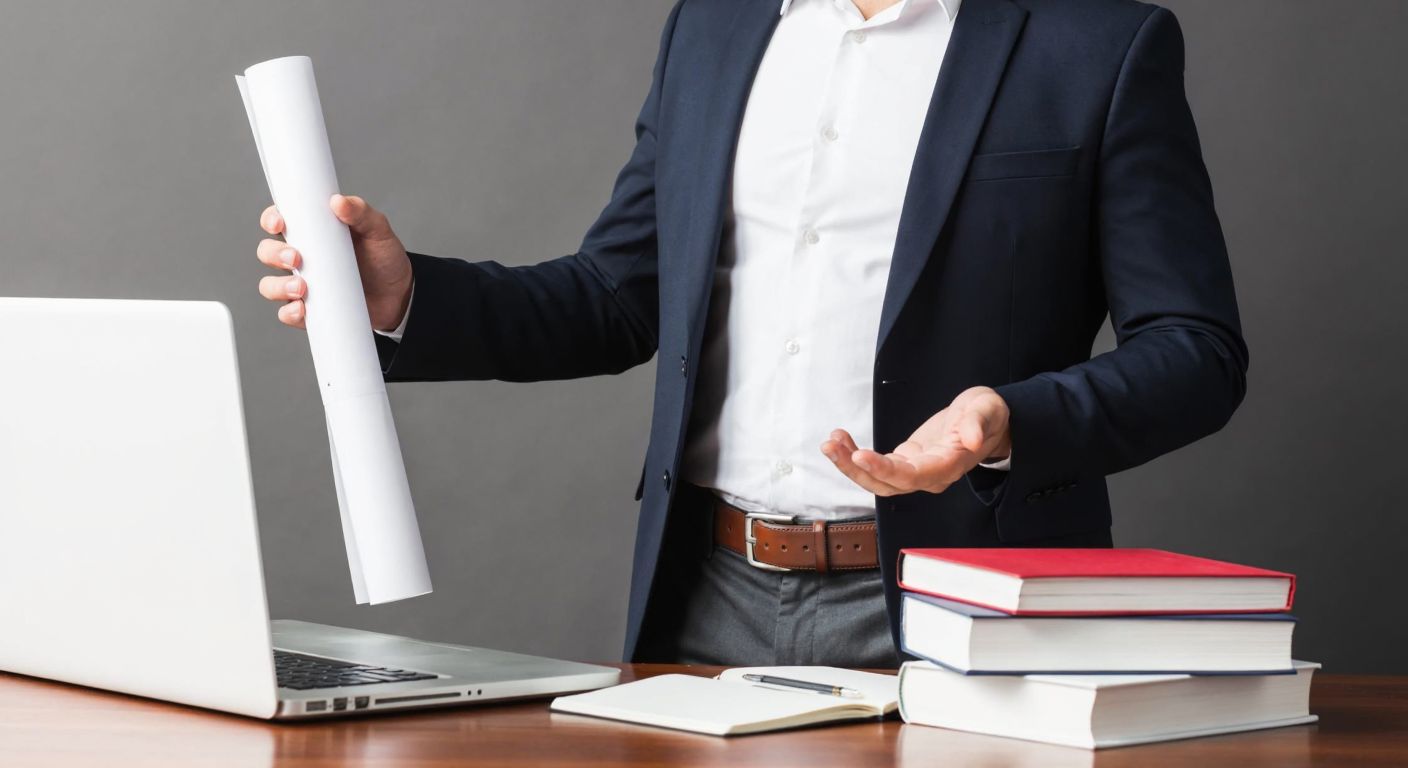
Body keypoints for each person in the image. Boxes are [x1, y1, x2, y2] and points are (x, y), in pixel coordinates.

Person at [254, 0, 1247, 668]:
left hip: (960, 604)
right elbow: (617, 295)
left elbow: (1196, 349)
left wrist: (1006, 420)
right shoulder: (715, 26)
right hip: (704, 600)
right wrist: (400, 297)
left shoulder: (1097, 41)